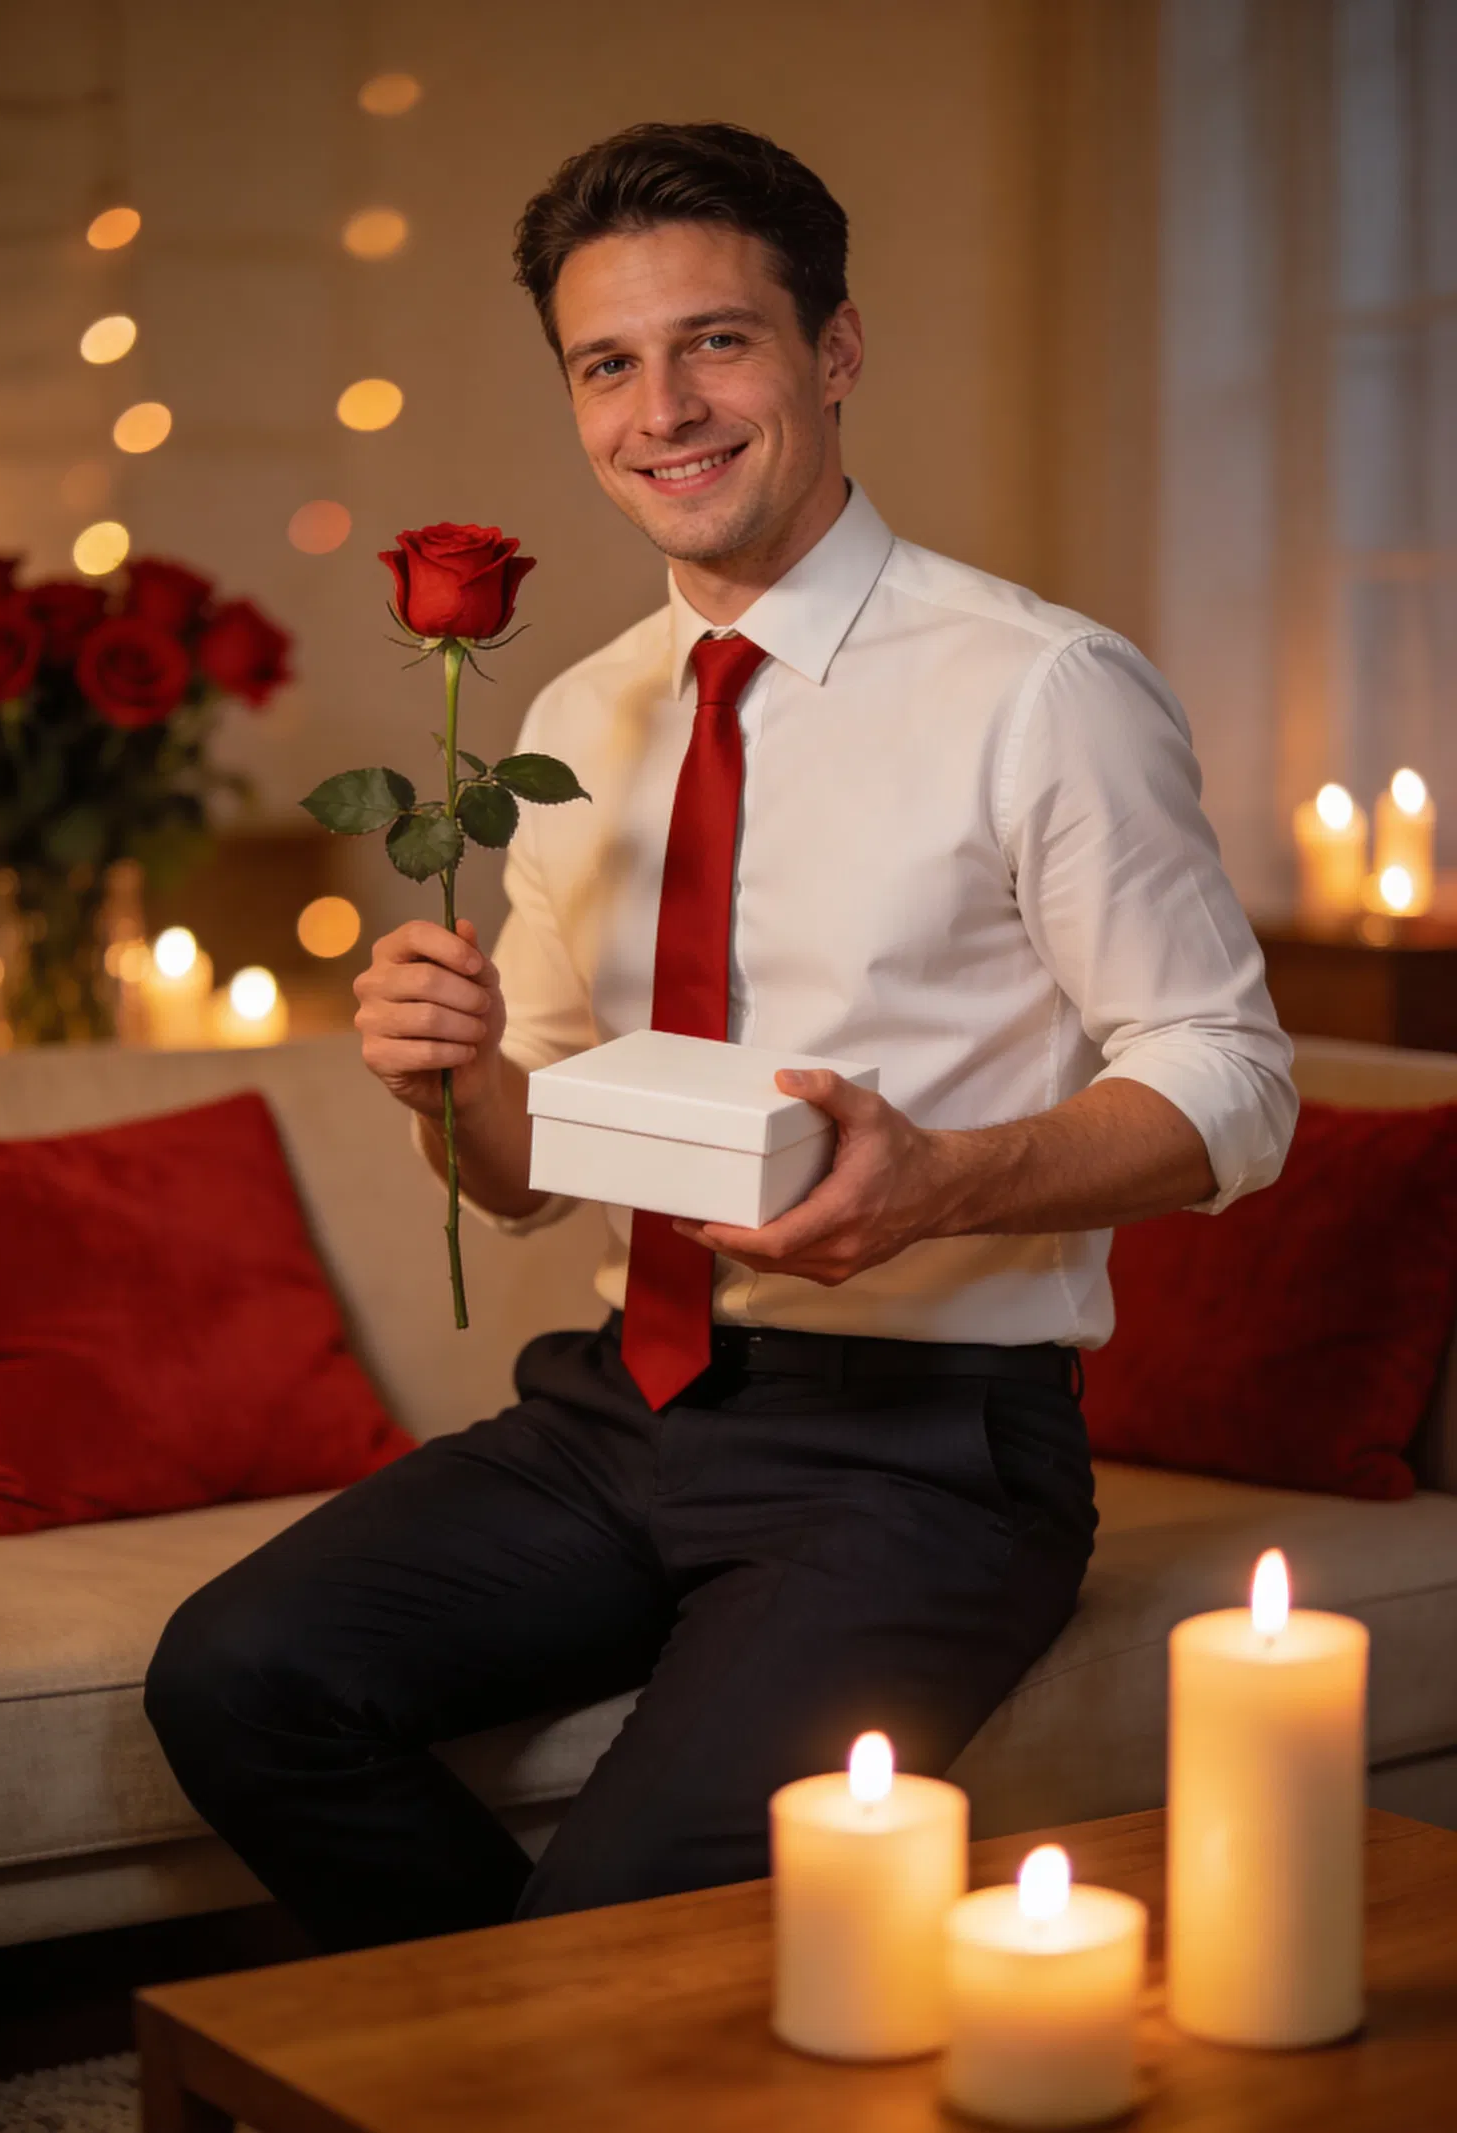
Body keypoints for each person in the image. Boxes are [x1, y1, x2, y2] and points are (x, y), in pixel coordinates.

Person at [146, 120, 1296, 1952]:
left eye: (716, 343)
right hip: (619, 1407)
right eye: (607, 364)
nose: (663, 409)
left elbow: (1236, 1081)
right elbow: (526, 1177)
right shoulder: (577, 721)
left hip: (924, 1455)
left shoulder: (1042, 689)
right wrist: (450, 1084)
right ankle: (500, 2052)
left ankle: (542, 2028)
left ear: (834, 353)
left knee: (614, 1927)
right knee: (233, 1676)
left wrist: (941, 1183)